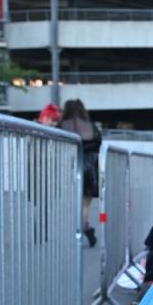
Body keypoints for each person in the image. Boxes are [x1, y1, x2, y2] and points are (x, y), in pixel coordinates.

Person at [58, 98, 100, 246]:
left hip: (70, 165)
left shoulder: (62, 126)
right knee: (85, 204)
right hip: (89, 168)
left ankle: (81, 229)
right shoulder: (90, 126)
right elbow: (98, 142)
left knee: (70, 202)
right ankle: (84, 228)